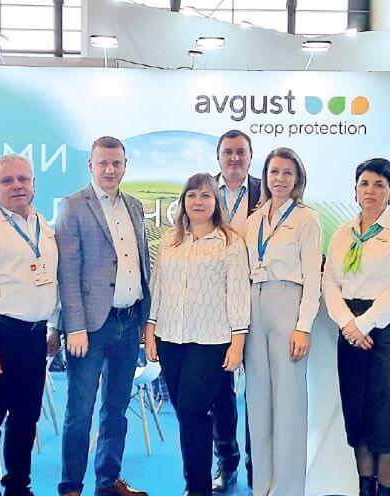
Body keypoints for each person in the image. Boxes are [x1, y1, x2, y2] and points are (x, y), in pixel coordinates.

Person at [143, 173, 250, 496]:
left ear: (216, 202)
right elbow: (158, 287)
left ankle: (198, 487)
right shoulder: (170, 240)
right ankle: (207, 474)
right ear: (183, 202)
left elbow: (238, 295)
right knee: (187, 413)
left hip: (212, 340)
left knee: (192, 410)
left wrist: (238, 343)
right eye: (192, 195)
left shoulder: (230, 242)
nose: (198, 202)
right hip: (170, 338)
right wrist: (150, 330)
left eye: (205, 196)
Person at [56, 136, 152, 496]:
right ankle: (71, 487)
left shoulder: (134, 206)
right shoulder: (72, 206)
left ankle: (108, 482)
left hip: (129, 322)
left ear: (125, 165)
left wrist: (145, 319)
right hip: (91, 327)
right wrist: (74, 327)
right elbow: (67, 272)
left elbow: (142, 263)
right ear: (91, 165)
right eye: (103, 163)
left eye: (116, 163)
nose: (110, 170)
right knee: (80, 411)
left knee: (116, 409)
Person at [0, 154, 61, 496]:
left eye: (23, 179)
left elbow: (50, 280)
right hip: (0, 336)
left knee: (26, 417)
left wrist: (53, 327)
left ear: (34, 184)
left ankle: (18, 486)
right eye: (7, 181)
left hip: (35, 338)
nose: (17, 186)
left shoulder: (42, 224)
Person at [322, 158, 390, 496]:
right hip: (351, 330)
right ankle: (366, 489)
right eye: (364, 184)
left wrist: (365, 323)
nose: (371, 190)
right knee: (359, 416)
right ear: (355, 190)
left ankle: (386, 492)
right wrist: (348, 324)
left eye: (379, 185)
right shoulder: (343, 233)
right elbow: (329, 282)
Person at [243, 147, 322, 496]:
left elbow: (313, 279)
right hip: (254, 303)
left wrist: (303, 327)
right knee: (258, 400)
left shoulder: (307, 219)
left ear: (298, 178)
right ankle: (262, 486)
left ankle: (288, 489)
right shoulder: (253, 220)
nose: (280, 179)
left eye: (287, 172)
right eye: (274, 172)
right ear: (265, 176)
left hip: (288, 302)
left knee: (289, 402)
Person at [210, 129, 259, 492]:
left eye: (241, 152)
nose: (234, 158)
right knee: (219, 392)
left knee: (258, 391)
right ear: (218, 156)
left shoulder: (266, 190)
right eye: (228, 152)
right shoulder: (203, 191)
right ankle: (226, 463)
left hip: (258, 300)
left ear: (250, 156)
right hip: (214, 306)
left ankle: (260, 466)